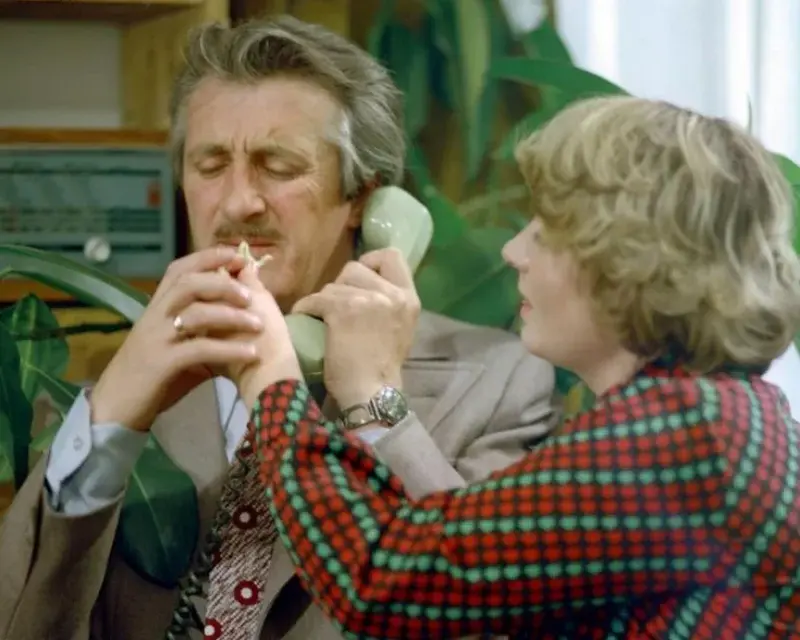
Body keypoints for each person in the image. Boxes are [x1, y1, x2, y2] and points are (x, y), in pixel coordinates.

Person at [0, 16, 558, 640]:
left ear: (364, 198)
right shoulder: (111, 389)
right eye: (211, 165)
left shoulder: (500, 386)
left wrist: (375, 403)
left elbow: (488, 614)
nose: (239, 202)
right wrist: (109, 423)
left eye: (279, 165)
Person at [223, 96, 800, 639]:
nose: (513, 251)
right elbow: (470, 566)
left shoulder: (679, 437)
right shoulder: (720, 418)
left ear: (629, 258)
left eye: (545, 232)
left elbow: (376, 579)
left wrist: (273, 385)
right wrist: (373, 398)